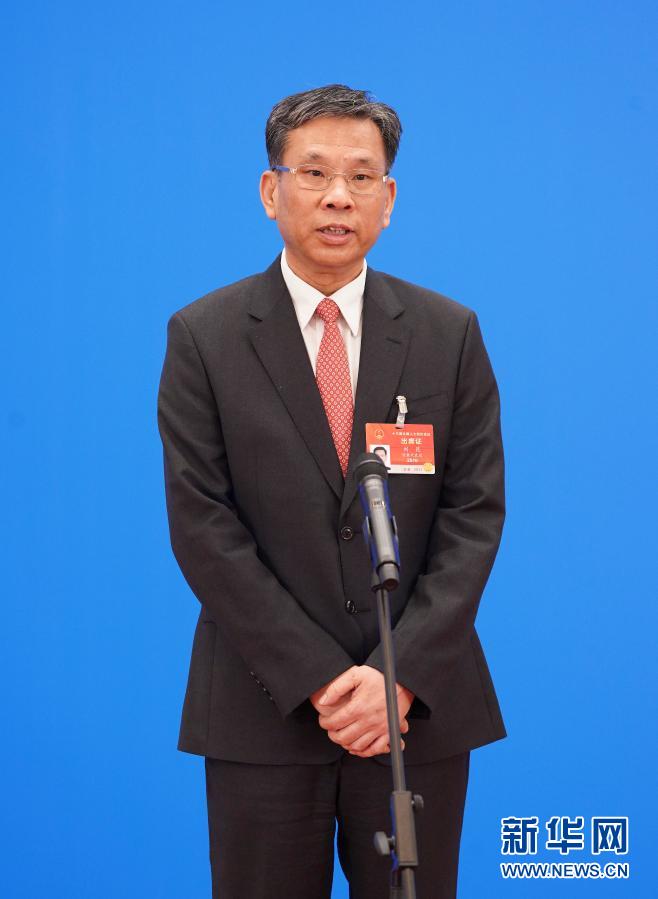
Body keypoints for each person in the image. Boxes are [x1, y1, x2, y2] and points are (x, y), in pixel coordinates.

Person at [157, 83, 506, 899]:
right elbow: (203, 526)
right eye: (313, 172)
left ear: (389, 198)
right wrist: (321, 678)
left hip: (416, 711)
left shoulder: (448, 333)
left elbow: (473, 515)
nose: (338, 196)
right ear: (270, 189)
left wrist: (396, 675)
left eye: (361, 175)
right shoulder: (204, 336)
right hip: (264, 708)